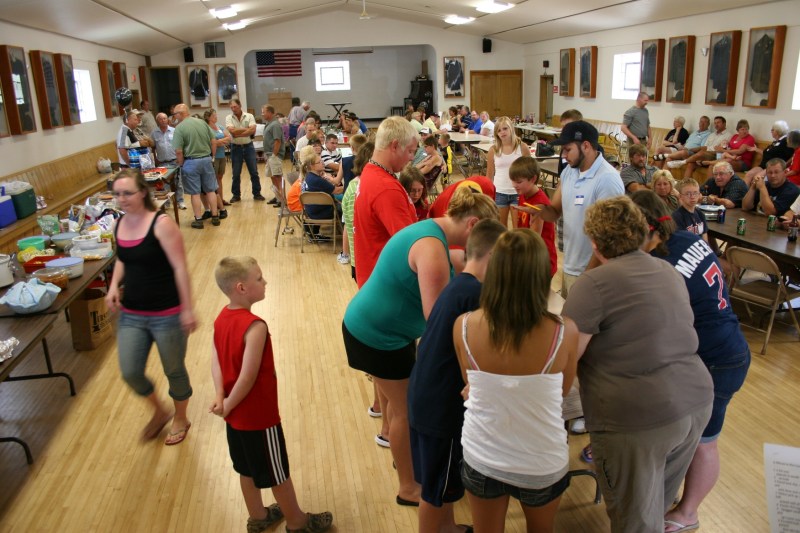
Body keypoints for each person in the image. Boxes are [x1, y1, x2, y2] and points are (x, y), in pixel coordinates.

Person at [562, 196, 713, 533]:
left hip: (639, 419)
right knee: (656, 505)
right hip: (694, 403)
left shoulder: (593, 284)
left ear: (595, 242)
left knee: (634, 519)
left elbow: (568, 358)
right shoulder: (667, 270)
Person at [343, 189, 498, 507]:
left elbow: (459, 262)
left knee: (396, 404)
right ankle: (408, 487)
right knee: (407, 411)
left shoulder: (431, 231)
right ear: (472, 224)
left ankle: (400, 453)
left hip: (376, 328)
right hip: (378, 336)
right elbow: (437, 321)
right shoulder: (431, 249)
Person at [631, 191, 750, 533]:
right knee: (688, 436)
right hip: (727, 344)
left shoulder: (664, 264)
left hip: (718, 358)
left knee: (704, 441)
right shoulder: (686, 237)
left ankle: (689, 513)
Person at [453, 229, 578, 533]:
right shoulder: (565, 332)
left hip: (483, 455)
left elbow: (470, 385)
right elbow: (561, 393)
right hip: (542, 461)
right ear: (542, 275)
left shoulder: (464, 326)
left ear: (494, 271)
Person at [210, 256, 333, 533]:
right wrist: (227, 403)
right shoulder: (256, 326)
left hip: (234, 417)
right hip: (259, 418)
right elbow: (248, 376)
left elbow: (215, 358)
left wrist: (221, 398)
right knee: (278, 473)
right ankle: (298, 523)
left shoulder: (221, 318)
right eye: (259, 278)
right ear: (241, 288)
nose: (265, 282)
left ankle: (258, 517)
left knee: (245, 469)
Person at [408, 219, 507, 533]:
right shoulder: (475, 294)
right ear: (493, 257)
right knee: (434, 490)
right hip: (442, 408)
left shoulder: (460, 284)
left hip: (426, 396)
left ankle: (447, 527)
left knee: (442, 481)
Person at [106, 169, 197, 446]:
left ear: (143, 192)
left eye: (128, 193)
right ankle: (160, 411)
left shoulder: (161, 224)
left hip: (167, 313)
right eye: (117, 194)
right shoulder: (119, 224)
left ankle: (181, 417)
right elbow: (123, 257)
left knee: (174, 369)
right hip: (132, 313)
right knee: (130, 371)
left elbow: (180, 267)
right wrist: (113, 286)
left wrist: (187, 309)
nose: (122, 199)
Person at [528, 120, 624, 297]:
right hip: (571, 265)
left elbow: (609, 239)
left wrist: (587, 278)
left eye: (568, 149)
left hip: (592, 273)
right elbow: (555, 212)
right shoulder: (569, 171)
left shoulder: (607, 180)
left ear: (586, 146)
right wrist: (541, 210)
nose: (564, 155)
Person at [352, 116, 420, 288]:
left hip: (373, 278)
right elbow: (410, 245)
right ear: (395, 146)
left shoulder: (370, 171)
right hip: (388, 285)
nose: (412, 158)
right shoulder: (386, 188)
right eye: (410, 151)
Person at [172, 103, 221, 229]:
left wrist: (181, 164)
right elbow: (214, 141)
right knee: (210, 190)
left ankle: (198, 220)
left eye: (175, 114)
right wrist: (212, 156)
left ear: (180, 114)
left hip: (191, 162)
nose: (174, 117)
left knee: (195, 193)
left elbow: (178, 151)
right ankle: (215, 216)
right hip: (206, 160)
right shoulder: (202, 123)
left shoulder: (179, 128)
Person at [509, 157, 557, 277]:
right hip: (530, 256)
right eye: (513, 181)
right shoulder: (523, 194)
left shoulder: (539, 204)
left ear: (533, 179)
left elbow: (532, 240)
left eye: (519, 182)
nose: (514, 185)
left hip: (540, 262)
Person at [486, 116, 531, 228]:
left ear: (511, 128)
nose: (502, 132)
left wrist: (529, 191)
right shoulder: (493, 150)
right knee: (501, 227)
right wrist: (487, 194)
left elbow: (530, 170)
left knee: (518, 227)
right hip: (499, 191)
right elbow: (489, 174)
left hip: (518, 192)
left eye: (505, 128)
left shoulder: (522, 147)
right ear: (496, 134)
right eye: (499, 130)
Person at [340, 142, 375, 277]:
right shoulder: (357, 190)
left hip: (367, 261)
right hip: (364, 262)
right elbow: (358, 230)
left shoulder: (361, 186)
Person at [668, 116, 732, 179]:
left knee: (701, 153)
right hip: (705, 154)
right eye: (715, 123)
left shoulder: (728, 135)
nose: (716, 125)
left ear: (724, 123)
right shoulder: (712, 134)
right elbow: (705, 146)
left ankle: (682, 162)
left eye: (718, 123)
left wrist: (706, 150)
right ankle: (685, 183)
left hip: (715, 155)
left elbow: (721, 149)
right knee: (691, 164)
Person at [226, 98, 264, 202]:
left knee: (254, 172)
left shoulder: (249, 116)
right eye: (231, 107)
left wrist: (238, 133)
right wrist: (247, 129)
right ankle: (236, 195)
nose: (233, 109)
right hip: (235, 147)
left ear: (240, 106)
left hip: (248, 146)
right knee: (236, 173)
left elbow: (253, 130)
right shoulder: (229, 118)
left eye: (235, 107)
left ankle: (257, 194)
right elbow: (232, 132)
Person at [300, 151, 343, 241]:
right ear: (312, 166)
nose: (323, 163)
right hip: (324, 212)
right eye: (319, 162)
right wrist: (350, 185)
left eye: (322, 161)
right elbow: (337, 191)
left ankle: (313, 231)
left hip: (310, 211)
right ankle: (346, 234)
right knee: (346, 207)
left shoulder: (308, 176)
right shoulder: (317, 180)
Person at [151, 111, 187, 210]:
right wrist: (155, 159)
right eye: (160, 119)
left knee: (178, 183)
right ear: (157, 121)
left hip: (174, 161)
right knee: (163, 184)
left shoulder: (174, 131)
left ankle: (180, 201)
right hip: (162, 162)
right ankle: (166, 203)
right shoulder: (154, 133)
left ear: (168, 120)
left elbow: (180, 145)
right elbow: (153, 148)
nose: (163, 120)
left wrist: (180, 158)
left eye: (165, 118)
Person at [744, 120, 793, 184]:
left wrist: (783, 166)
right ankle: (743, 191)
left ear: (778, 131)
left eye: (773, 130)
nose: (771, 131)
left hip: (772, 167)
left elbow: (791, 157)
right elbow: (767, 153)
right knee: (748, 174)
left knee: (756, 179)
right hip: (763, 166)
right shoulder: (775, 141)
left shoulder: (785, 142)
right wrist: (756, 149)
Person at [204, 108, 231, 218]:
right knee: (213, 180)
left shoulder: (219, 126)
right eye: (214, 115)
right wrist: (220, 142)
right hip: (212, 157)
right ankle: (215, 202)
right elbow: (210, 143)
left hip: (221, 156)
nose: (216, 117)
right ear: (208, 117)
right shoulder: (206, 128)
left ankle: (221, 199)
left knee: (220, 178)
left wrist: (218, 142)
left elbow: (229, 138)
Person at [261, 104, 286, 206]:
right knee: (272, 176)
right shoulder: (269, 124)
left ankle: (282, 200)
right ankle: (277, 197)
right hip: (269, 155)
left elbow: (277, 141)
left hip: (274, 155)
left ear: (270, 112)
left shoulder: (275, 125)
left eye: (264, 112)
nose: (262, 114)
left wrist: (274, 155)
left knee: (278, 177)